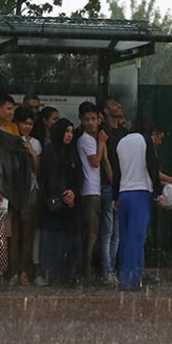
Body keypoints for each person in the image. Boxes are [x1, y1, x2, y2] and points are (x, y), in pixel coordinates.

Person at [113, 114, 163, 292]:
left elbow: (117, 171)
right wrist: (158, 193)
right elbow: (152, 167)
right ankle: (132, 280)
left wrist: (115, 197)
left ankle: (123, 279)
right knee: (137, 238)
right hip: (140, 194)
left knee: (125, 239)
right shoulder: (145, 141)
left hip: (124, 193)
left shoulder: (122, 142)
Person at [37, 119, 83, 285]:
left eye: (71, 132)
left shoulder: (72, 152)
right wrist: (62, 195)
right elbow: (49, 177)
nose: (69, 135)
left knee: (72, 241)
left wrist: (72, 193)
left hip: (70, 204)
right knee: (51, 241)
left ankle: (68, 274)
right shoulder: (50, 151)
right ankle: (48, 274)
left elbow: (78, 177)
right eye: (66, 131)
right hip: (53, 204)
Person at [8, 107, 42, 286]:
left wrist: (32, 153)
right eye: (24, 123)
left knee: (28, 233)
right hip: (15, 190)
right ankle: (13, 271)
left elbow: (39, 170)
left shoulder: (35, 143)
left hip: (31, 190)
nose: (27, 127)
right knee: (14, 234)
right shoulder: (12, 140)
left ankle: (24, 271)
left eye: (30, 124)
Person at [98, 96, 128, 286]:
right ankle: (106, 270)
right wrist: (113, 181)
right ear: (106, 111)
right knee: (108, 230)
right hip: (109, 185)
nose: (119, 105)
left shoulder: (125, 132)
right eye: (114, 104)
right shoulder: (105, 132)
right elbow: (105, 159)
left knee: (116, 231)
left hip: (122, 184)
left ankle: (112, 269)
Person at [76, 101, 107, 280]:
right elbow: (95, 161)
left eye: (93, 119)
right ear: (81, 120)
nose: (90, 123)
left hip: (93, 191)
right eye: (86, 119)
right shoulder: (87, 140)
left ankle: (88, 272)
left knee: (92, 234)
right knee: (91, 235)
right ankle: (86, 274)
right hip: (89, 192)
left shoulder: (89, 138)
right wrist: (102, 143)